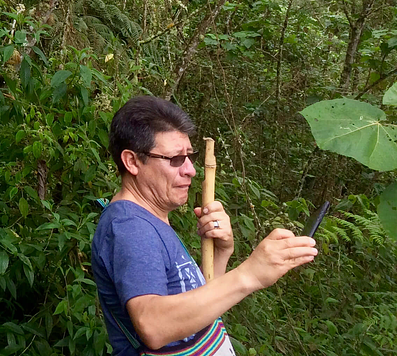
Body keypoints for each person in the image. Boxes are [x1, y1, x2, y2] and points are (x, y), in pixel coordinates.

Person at [91, 95, 318, 356]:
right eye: (176, 159)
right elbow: (154, 325)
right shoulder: (131, 227)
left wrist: (221, 254)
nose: (191, 170)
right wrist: (250, 274)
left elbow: (190, 313)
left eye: (190, 156)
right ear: (132, 162)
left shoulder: (150, 219)